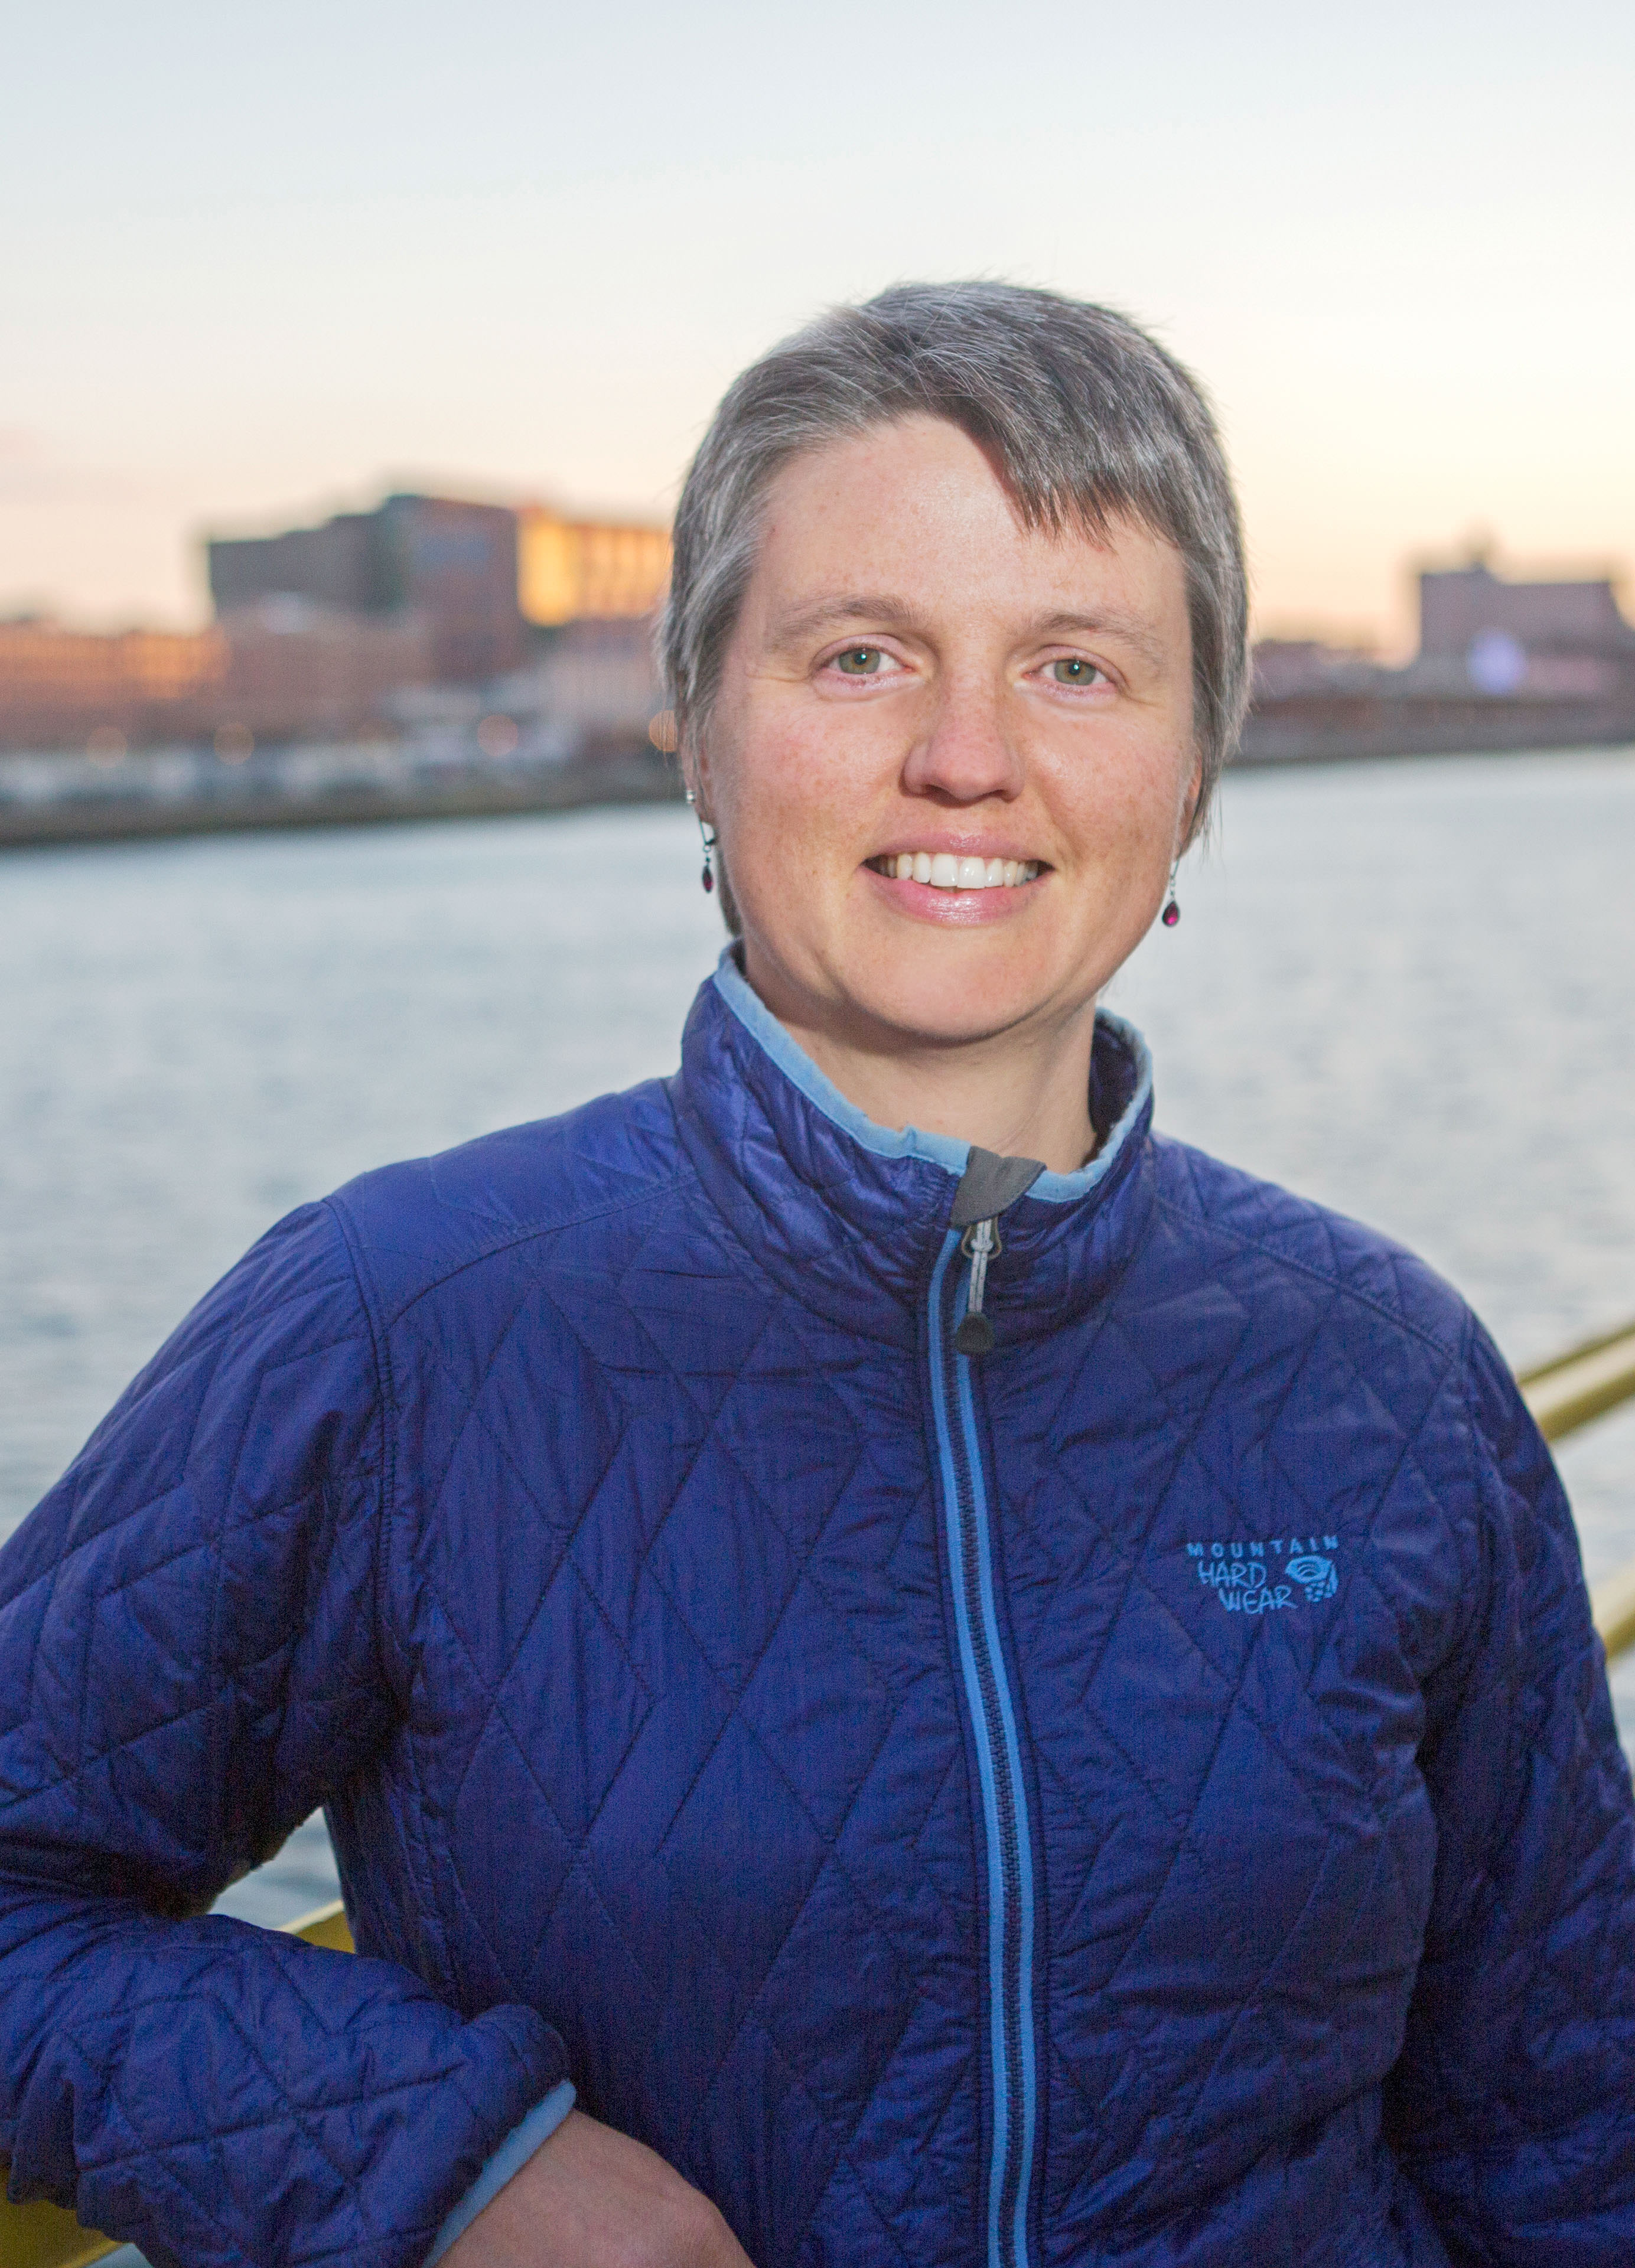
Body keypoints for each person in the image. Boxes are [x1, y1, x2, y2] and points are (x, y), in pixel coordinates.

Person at [1, 283, 1631, 2268]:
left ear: (1196, 773)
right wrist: (434, 2158)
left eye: (1079, 669)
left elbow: (1565, 2129)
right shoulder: (400, 1325)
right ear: (697, 733)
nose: (967, 756)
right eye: (862, 656)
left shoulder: (1391, 1376)